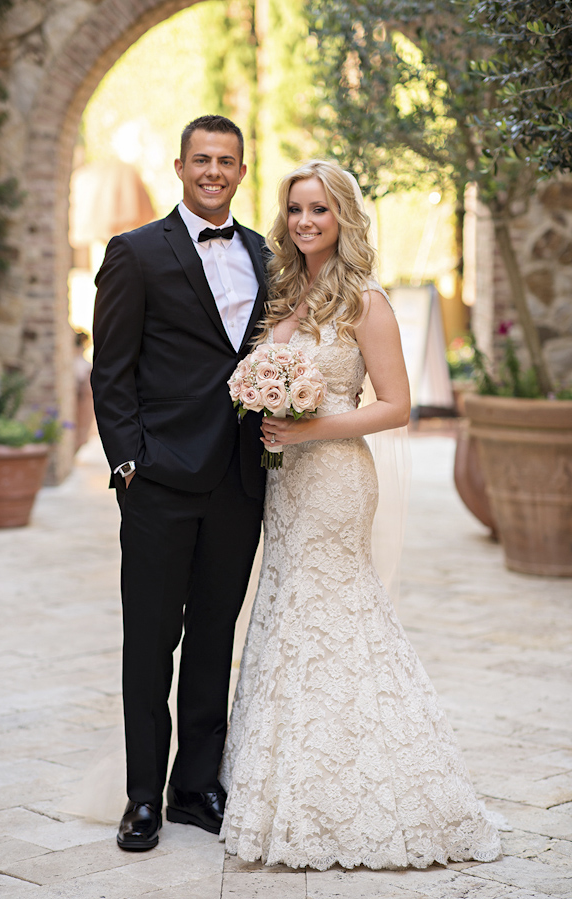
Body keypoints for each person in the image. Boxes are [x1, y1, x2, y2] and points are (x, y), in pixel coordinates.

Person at [219, 160, 501, 870]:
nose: (305, 221)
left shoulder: (365, 300)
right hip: (287, 481)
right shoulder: (288, 289)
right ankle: (288, 781)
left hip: (336, 478)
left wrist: (308, 429)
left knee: (336, 611)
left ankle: (370, 787)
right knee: (285, 610)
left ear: (343, 216)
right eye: (295, 210)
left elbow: (396, 404)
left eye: (319, 209)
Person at [91, 115, 267, 852]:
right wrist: (129, 462)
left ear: (241, 170)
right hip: (160, 479)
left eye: (226, 160)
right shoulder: (135, 253)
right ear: (180, 166)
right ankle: (142, 796)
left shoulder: (264, 252)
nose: (214, 171)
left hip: (238, 477)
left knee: (212, 637)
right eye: (202, 159)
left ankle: (196, 787)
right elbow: (111, 368)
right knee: (150, 641)